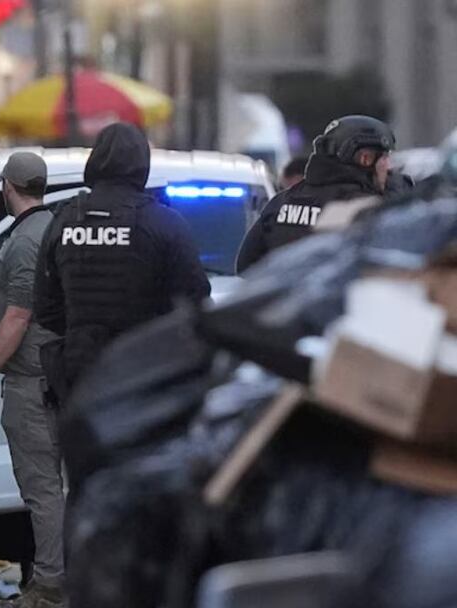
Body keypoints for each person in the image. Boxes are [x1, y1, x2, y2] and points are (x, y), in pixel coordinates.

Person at [34, 123, 211, 415]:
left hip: (81, 375)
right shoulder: (164, 223)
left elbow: (45, 307)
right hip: (145, 373)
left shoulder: (64, 220)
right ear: (143, 164)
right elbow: (196, 302)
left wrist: (85, 330)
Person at [0, 153, 67, 608]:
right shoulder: (54, 227)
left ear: (8, 186)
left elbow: (18, 315)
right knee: (59, 487)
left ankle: (49, 588)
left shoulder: (26, 240)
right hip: (57, 375)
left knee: (42, 488)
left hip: (32, 378)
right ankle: (59, 579)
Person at [236, 115, 396, 273]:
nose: (389, 167)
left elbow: (245, 266)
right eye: (385, 158)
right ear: (365, 158)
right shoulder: (369, 211)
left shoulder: (281, 203)